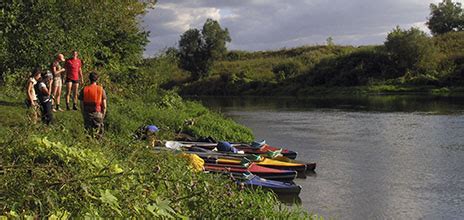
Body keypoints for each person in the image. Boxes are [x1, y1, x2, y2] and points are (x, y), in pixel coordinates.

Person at [79, 72, 107, 138]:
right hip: (98, 114)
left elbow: (81, 105)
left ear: (89, 79)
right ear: (97, 79)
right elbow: (104, 106)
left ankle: (88, 145)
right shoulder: (101, 89)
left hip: (87, 114)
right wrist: (103, 115)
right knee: (98, 134)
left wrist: (84, 114)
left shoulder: (84, 89)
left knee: (88, 133)